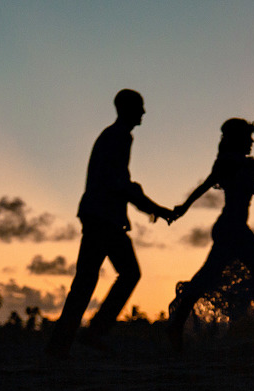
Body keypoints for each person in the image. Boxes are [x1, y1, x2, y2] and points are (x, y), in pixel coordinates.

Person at [47, 89, 175, 357]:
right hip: (103, 218)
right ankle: (88, 335)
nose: (144, 112)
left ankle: (67, 343)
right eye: (140, 107)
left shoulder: (115, 136)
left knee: (91, 280)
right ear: (127, 110)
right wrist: (153, 208)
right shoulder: (118, 137)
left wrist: (145, 202)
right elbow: (118, 183)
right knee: (116, 275)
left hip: (102, 216)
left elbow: (120, 182)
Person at [167, 118, 254, 350]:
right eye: (248, 137)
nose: (252, 142)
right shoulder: (228, 163)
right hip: (231, 228)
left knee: (231, 275)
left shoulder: (245, 165)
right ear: (237, 139)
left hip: (236, 228)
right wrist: (183, 208)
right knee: (228, 275)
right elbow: (203, 187)